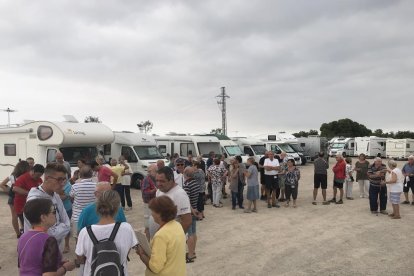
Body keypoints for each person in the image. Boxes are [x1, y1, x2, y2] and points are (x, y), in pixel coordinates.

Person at [76, 190, 137, 276]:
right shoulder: (126, 228)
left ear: (97, 207)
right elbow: (127, 252)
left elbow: (80, 257)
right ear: (117, 208)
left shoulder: (85, 232)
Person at [18, 198, 76, 276]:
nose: (55, 215)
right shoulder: (48, 240)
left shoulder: (23, 236)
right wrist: (65, 268)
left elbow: (28, 264)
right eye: (53, 212)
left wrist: (57, 263)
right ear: (43, 218)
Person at [136, 196, 187, 276]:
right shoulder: (177, 225)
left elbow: (155, 267)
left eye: (152, 211)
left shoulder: (161, 236)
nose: (151, 215)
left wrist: (141, 254)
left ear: (159, 214)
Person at [25, 163, 70, 249]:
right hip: (40, 249)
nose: (62, 183)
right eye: (59, 179)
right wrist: (61, 227)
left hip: (55, 249)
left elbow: (67, 223)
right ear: (46, 178)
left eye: (64, 180)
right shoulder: (35, 201)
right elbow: (46, 234)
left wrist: (59, 228)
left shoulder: (55, 195)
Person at [149, 167, 192, 239]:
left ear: (171, 180)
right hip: (161, 238)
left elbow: (187, 221)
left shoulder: (179, 195)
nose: (158, 184)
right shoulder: (159, 191)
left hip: (171, 241)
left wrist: (175, 239)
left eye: (162, 181)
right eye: (157, 180)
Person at [0, 160, 30, 238]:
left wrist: (9, 192)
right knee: (21, 215)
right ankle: (23, 230)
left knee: (15, 216)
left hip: (12, 198)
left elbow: (2, 184)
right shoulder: (25, 176)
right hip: (21, 198)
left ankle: (18, 233)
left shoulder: (12, 176)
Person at [69, 166, 96, 240]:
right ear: (91, 174)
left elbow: (71, 198)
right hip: (93, 217)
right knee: (92, 239)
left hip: (77, 217)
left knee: (78, 239)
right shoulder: (96, 186)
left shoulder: (75, 186)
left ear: (80, 175)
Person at [182, 167, 200, 263]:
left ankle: (190, 255)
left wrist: (192, 211)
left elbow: (186, 201)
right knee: (194, 232)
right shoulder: (195, 183)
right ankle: (193, 252)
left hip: (189, 211)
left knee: (190, 234)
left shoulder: (187, 185)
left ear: (185, 174)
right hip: (195, 208)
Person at [141, 164, 158, 240]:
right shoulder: (146, 179)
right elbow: (145, 193)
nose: (157, 173)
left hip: (154, 204)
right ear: (151, 171)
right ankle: (148, 243)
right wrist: (155, 190)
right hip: (148, 205)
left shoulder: (154, 178)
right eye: (156, 171)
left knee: (154, 223)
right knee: (148, 225)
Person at [58, 179, 72, 253]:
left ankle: (67, 245)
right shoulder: (56, 184)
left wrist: (56, 194)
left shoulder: (69, 186)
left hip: (67, 209)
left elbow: (64, 198)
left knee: (67, 226)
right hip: (57, 209)